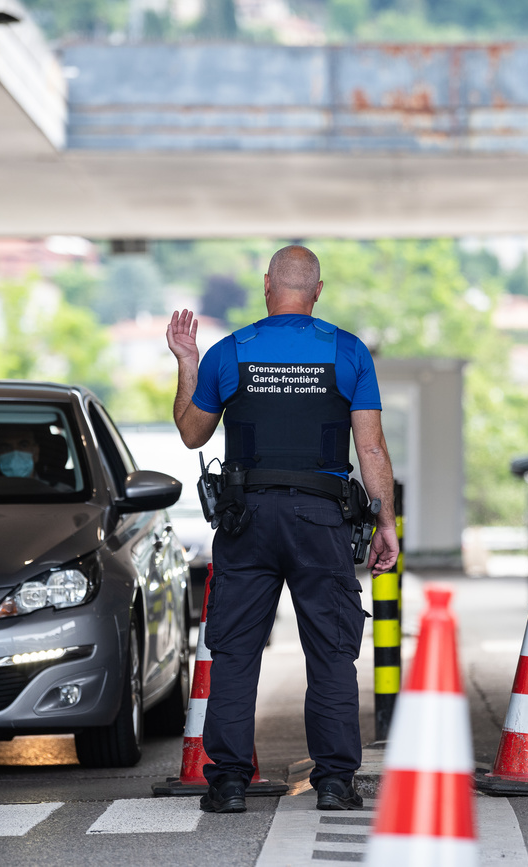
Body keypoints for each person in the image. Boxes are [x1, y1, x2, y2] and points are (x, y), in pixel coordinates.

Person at [166, 244, 398, 815]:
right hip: (322, 520)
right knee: (330, 652)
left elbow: (192, 434)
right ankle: (337, 782)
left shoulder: (230, 352)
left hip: (247, 520)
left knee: (237, 652)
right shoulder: (348, 351)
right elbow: (370, 447)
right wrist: (385, 521)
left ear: (267, 284)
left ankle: (227, 784)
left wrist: (188, 361)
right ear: (317, 290)